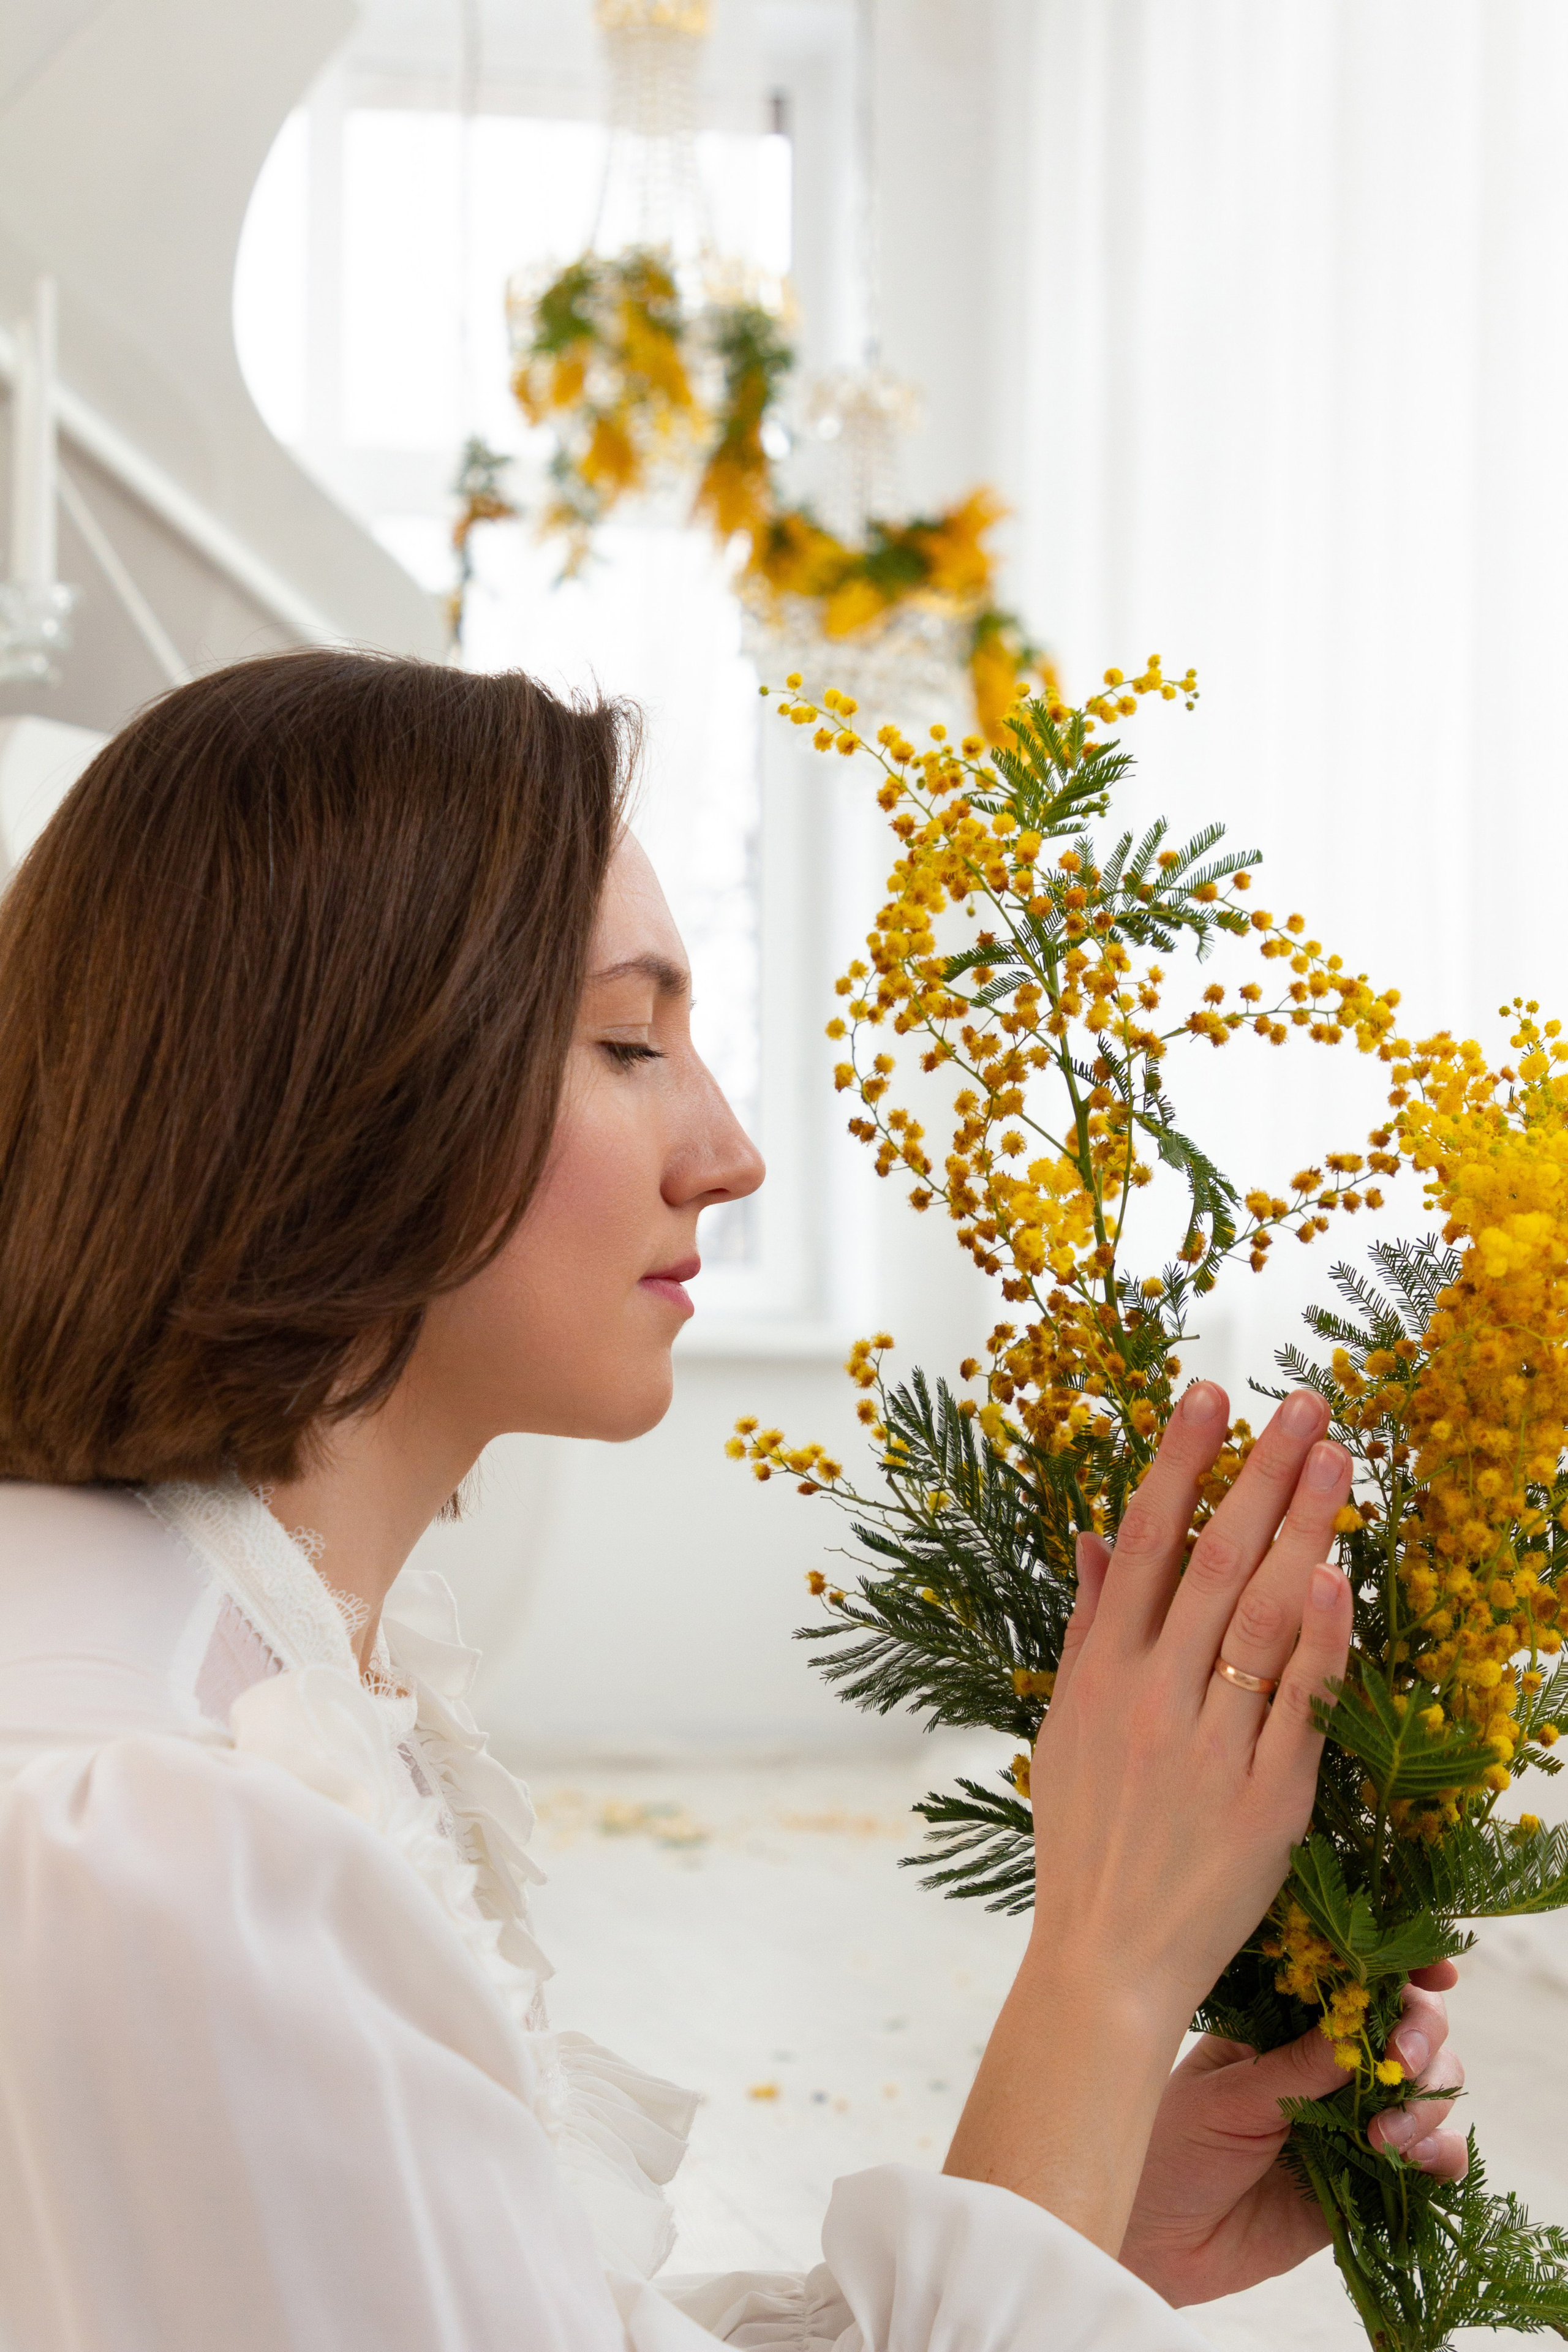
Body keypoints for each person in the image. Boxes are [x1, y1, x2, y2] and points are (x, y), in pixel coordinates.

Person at [0, 653, 1464, 2352]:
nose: (733, 1149)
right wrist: (1107, 1972)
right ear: (352, 1085)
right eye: (631, 1041)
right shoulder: (198, 1853)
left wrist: (1078, 2224)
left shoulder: (197, 1673)